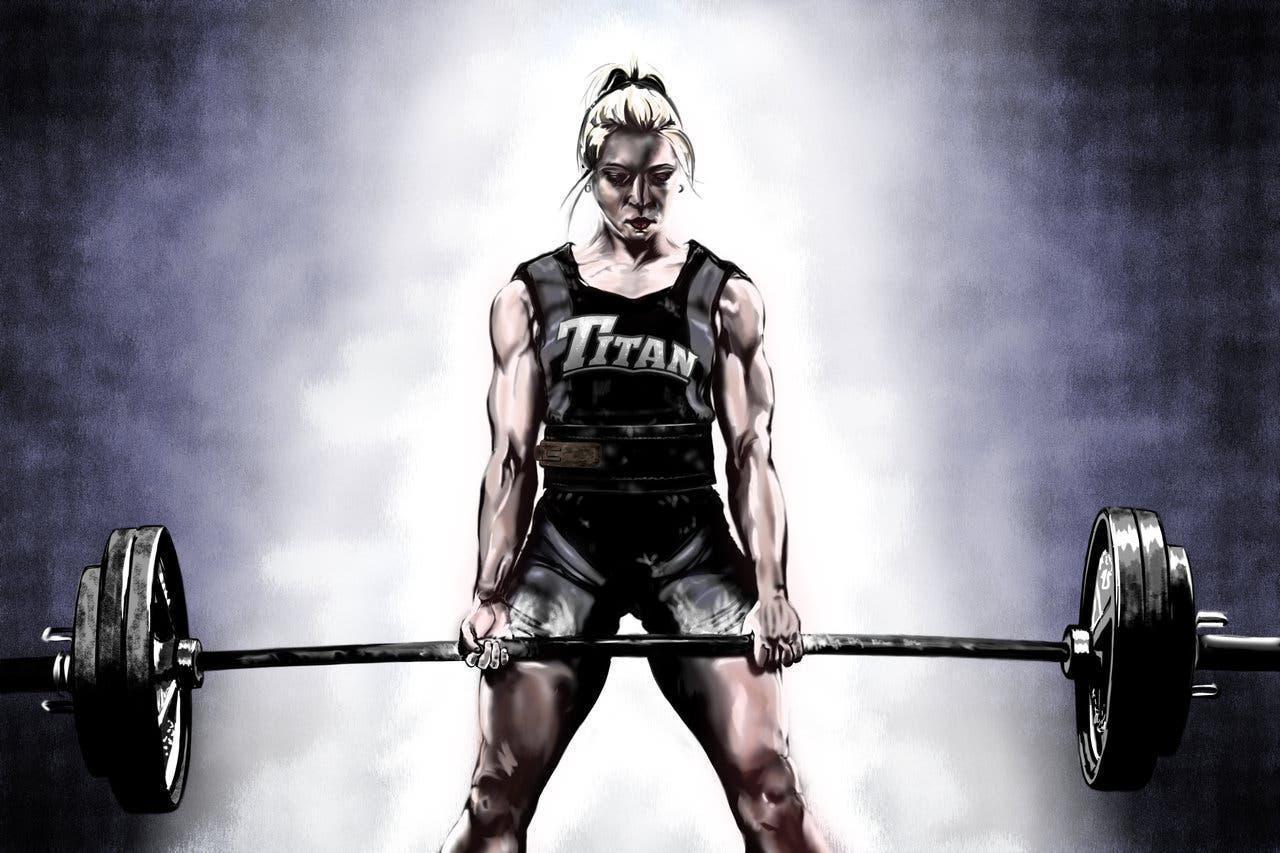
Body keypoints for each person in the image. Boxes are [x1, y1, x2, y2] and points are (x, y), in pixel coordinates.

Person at [443, 62, 828, 853]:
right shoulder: (529, 298)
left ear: (678, 170)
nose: (639, 199)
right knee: (493, 798)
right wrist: (487, 593)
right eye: (619, 178)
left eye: (658, 178)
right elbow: (511, 457)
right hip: (568, 551)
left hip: (690, 549)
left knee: (773, 792)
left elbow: (750, 452)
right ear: (591, 173)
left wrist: (773, 593)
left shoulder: (725, 298)